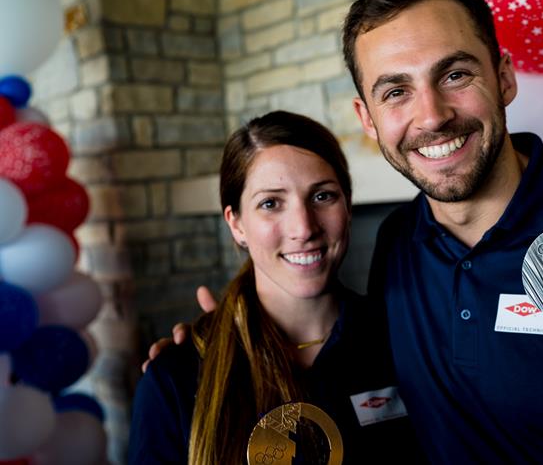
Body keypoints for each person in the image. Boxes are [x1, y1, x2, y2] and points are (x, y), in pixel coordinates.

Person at [150, 0, 543, 463]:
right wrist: (227, 338)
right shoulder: (396, 245)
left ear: (505, 77)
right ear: (367, 119)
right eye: (396, 91)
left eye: (455, 74)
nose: (432, 116)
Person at [128, 111, 424, 464]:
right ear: (236, 224)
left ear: (347, 205)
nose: (303, 227)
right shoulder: (177, 377)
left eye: (323, 196)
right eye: (270, 203)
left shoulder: (405, 341)